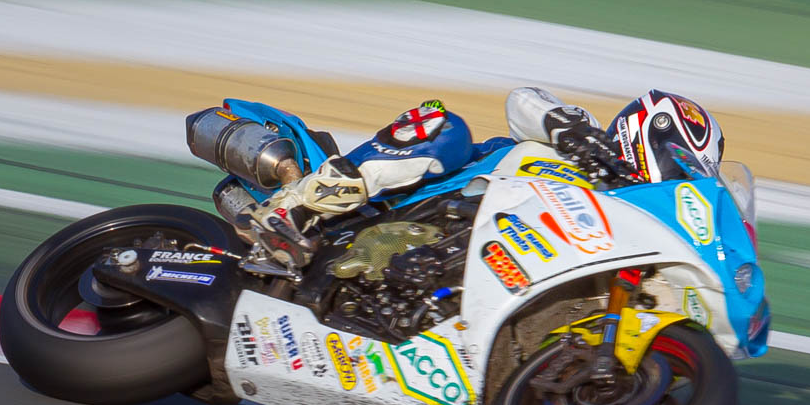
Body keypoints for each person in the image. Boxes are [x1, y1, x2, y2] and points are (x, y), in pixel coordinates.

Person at [197, 87, 725, 272]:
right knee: (446, 124)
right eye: (680, 166)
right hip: (420, 199)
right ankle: (294, 207)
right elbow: (522, 101)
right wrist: (574, 135)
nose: (677, 180)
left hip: (439, 264)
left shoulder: (622, 230)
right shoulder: (579, 134)